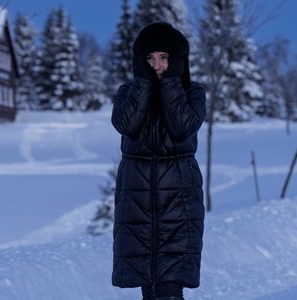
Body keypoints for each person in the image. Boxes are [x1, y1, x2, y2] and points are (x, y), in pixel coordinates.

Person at [110, 22, 207, 300]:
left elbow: (181, 126)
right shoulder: (128, 91)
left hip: (178, 204)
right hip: (137, 203)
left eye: (164, 58)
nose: (157, 65)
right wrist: (143, 83)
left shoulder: (193, 92)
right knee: (148, 289)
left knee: (169, 288)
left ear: (176, 60)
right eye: (150, 58)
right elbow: (125, 123)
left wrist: (171, 82)